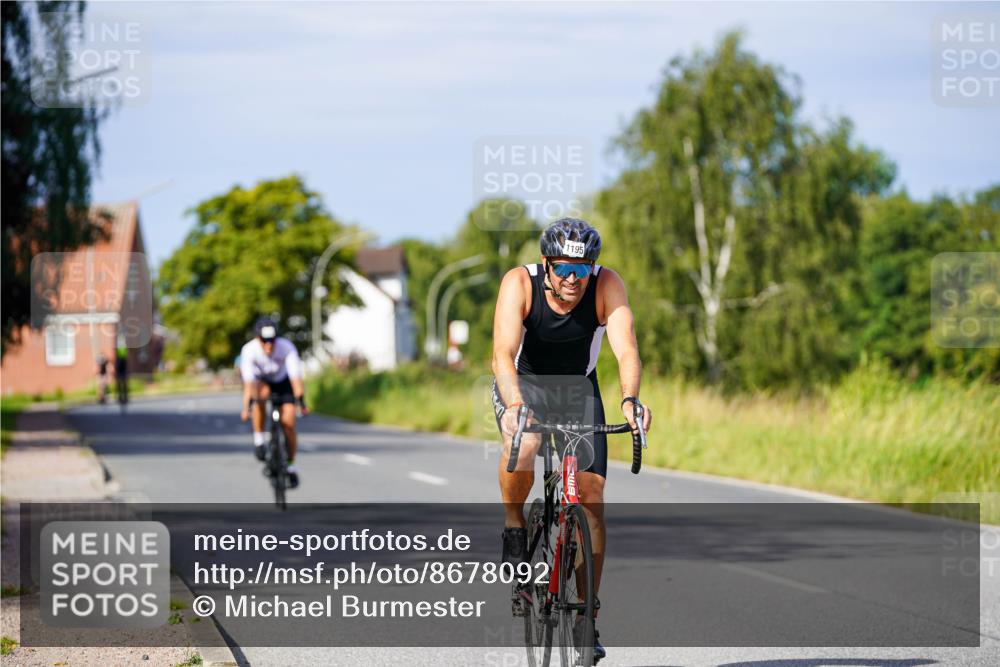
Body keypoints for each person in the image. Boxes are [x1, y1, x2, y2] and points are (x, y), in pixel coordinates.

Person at [491, 218, 653, 663]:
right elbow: (502, 354)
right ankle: (514, 525)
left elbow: (626, 349)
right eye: (563, 269)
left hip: (579, 388)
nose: (571, 280)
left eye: (582, 271)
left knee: (591, 494)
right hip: (524, 384)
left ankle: (587, 617)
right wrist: (514, 406)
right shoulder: (519, 283)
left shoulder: (607, 286)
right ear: (546, 265)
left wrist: (630, 400)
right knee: (524, 446)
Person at [239, 317, 309, 488]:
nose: (269, 345)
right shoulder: (249, 351)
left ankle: (291, 465)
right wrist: (246, 408)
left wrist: (301, 402)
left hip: (282, 381)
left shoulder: (286, 347)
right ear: (257, 339)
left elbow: (296, 380)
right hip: (261, 381)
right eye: (265, 341)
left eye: (272, 340)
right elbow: (249, 385)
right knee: (259, 398)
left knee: (289, 423)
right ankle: (259, 439)